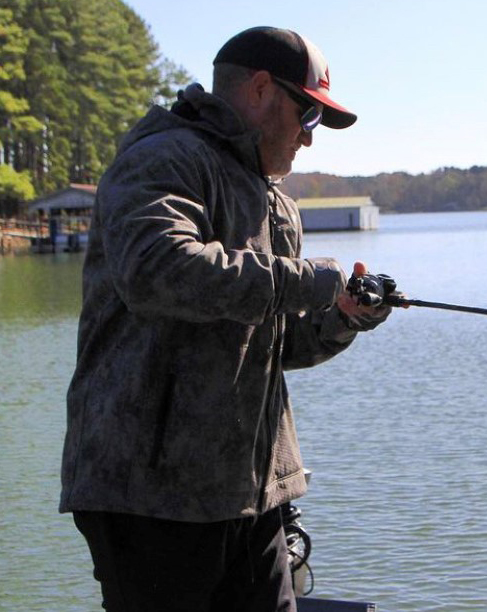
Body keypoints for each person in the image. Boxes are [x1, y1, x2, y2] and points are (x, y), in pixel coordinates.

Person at [60, 26, 392, 612]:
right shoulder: (163, 158)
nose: (310, 140)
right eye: (308, 114)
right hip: (151, 499)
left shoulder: (275, 199)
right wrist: (308, 279)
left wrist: (341, 316)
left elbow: (275, 341)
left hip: (253, 495)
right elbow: (158, 271)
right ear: (261, 89)